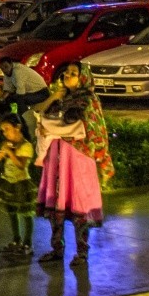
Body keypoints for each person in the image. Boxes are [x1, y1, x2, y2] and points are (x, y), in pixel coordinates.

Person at [34, 63, 112, 266]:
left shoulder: (89, 101)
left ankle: (82, 252)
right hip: (57, 158)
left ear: (83, 78)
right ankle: (57, 248)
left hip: (78, 158)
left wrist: (51, 130)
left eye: (73, 74)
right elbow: (39, 113)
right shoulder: (61, 99)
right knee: (56, 202)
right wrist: (54, 96)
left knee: (79, 204)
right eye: (66, 73)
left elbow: (83, 129)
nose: (67, 76)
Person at [0, 114, 38, 256]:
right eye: (3, 130)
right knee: (11, 212)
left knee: (26, 213)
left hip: (22, 184)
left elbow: (21, 165)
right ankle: (16, 239)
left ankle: (28, 243)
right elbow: (0, 159)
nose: (5, 133)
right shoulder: (7, 144)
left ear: (18, 127)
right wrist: (0, 156)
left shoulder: (26, 146)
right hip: (9, 182)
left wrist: (9, 152)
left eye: (7, 129)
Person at [0, 55, 50, 133]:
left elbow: (20, 93)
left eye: (6, 67)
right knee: (7, 100)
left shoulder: (18, 71)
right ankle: (9, 122)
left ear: (11, 64)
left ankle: (26, 124)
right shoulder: (8, 73)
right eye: (2, 68)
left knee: (19, 100)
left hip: (41, 93)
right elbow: (8, 90)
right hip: (31, 93)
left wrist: (8, 97)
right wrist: (2, 99)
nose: (4, 70)